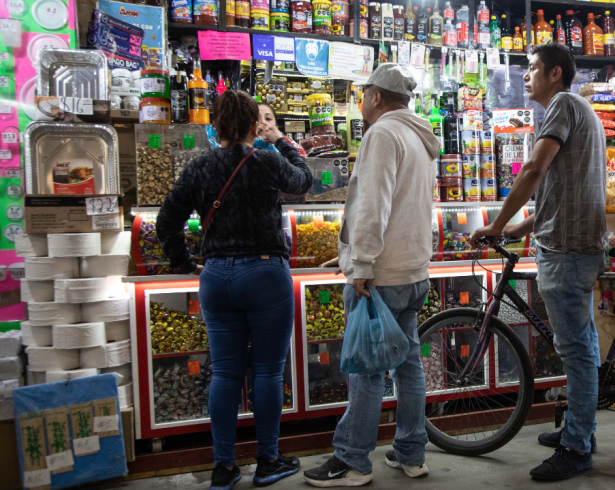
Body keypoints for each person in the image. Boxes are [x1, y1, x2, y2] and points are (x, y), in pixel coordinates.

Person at [156, 90, 312, 490]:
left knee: (224, 374)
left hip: (217, 277)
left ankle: (224, 467)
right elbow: (304, 181)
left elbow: (167, 221)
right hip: (264, 274)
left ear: (215, 126)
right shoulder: (266, 158)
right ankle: (268, 460)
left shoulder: (199, 167)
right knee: (267, 372)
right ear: (251, 125)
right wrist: (279, 139)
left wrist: (185, 264)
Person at [471, 43, 606, 481]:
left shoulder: (564, 103)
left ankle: (576, 447)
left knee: (577, 353)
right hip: (572, 242)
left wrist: (497, 222)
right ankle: (580, 429)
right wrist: (517, 229)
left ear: (554, 74)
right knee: (581, 348)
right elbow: (562, 189)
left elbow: (534, 169)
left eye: (532, 69)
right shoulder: (581, 110)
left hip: (567, 251)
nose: (525, 76)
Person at [303, 63, 440, 487]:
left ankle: (353, 460)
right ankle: (411, 453)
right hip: (414, 271)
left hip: (381, 277)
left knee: (366, 370)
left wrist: (360, 264)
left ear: (377, 96)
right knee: (407, 366)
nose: (361, 101)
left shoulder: (382, 133)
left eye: (363, 94)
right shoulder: (419, 137)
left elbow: (373, 207)